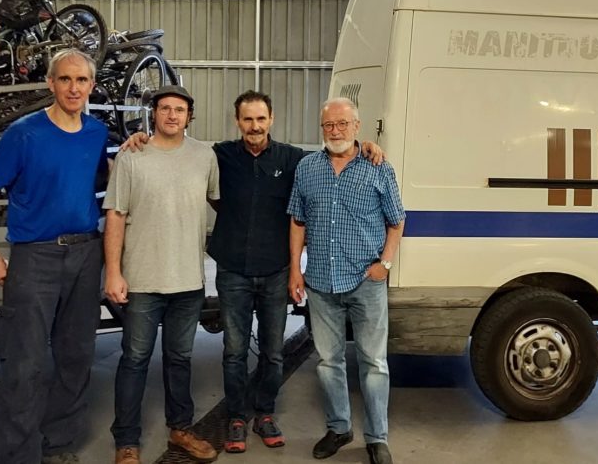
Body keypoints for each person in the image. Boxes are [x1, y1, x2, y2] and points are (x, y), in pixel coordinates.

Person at [122, 90, 383, 454]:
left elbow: (335, 155)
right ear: (237, 122)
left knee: (274, 352)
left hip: (276, 269)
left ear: (271, 120)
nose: (254, 126)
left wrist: (364, 144)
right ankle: (237, 417)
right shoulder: (220, 155)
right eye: (247, 119)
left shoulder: (293, 159)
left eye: (261, 119)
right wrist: (141, 139)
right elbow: (180, 155)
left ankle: (264, 412)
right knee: (234, 349)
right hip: (232, 269)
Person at [0, 49, 109, 464]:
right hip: (35, 258)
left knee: (75, 356)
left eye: (82, 81)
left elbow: (108, 180)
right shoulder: (24, 133)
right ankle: (14, 456)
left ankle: (57, 444)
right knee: (24, 364)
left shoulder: (97, 132)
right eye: (65, 80)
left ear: (91, 85)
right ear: (50, 83)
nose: (74, 88)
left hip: (86, 253)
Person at [104, 84, 220, 464]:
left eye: (180, 109)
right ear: (153, 113)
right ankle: (126, 441)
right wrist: (114, 273)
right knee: (134, 359)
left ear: (190, 115)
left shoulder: (205, 156)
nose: (172, 115)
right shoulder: (132, 156)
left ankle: (180, 429)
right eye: (165, 108)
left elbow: (224, 203)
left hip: (188, 282)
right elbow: (115, 216)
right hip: (141, 281)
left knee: (179, 359)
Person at [288, 97, 405, 464]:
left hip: (366, 280)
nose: (335, 131)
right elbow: (297, 221)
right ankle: (339, 428)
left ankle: (377, 437)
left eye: (342, 124)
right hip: (321, 281)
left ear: (357, 126)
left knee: (373, 362)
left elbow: (396, 220)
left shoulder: (378, 167)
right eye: (328, 126)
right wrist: (295, 269)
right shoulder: (307, 168)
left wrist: (385, 263)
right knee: (328, 361)